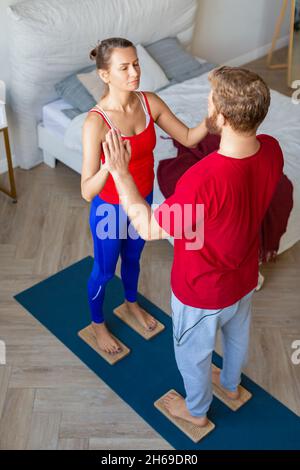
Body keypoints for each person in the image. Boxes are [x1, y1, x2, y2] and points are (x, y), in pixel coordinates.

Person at [101, 66, 284, 427]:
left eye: (211, 100)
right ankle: (230, 387)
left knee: (193, 355)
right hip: (244, 278)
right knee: (236, 337)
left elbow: (149, 227)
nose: (207, 104)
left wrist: (121, 175)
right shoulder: (272, 151)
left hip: (201, 291)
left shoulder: (203, 179)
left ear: (222, 116)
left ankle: (196, 412)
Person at [81, 37, 208, 355]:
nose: (134, 72)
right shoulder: (96, 122)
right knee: (105, 270)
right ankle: (98, 324)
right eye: (123, 67)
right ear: (105, 75)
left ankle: (131, 303)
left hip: (143, 200)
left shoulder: (150, 102)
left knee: (134, 258)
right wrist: (110, 167)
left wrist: (214, 117)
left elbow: (190, 137)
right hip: (110, 208)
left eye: (136, 64)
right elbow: (86, 190)